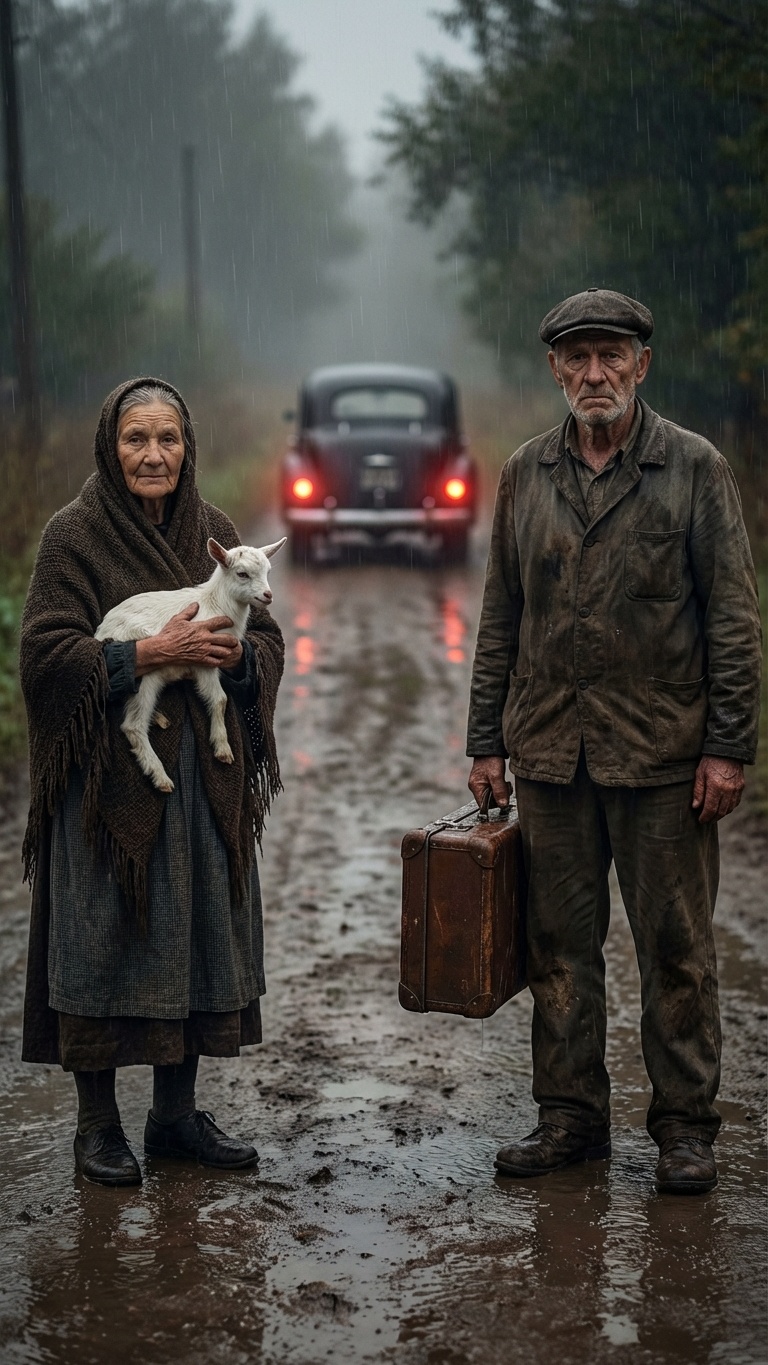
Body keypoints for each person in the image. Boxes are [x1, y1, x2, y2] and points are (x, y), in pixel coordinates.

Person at [466, 289, 762, 1194]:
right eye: (578, 358)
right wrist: (486, 739)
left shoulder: (694, 468)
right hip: (554, 752)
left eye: (612, 356)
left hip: (665, 756)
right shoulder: (524, 472)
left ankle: (684, 1128)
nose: (595, 373)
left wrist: (729, 746)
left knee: (676, 946)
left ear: (642, 365)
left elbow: (734, 621)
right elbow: (500, 615)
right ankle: (569, 1119)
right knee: (558, 945)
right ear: (555, 368)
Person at [20, 377, 284, 1187]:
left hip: (200, 784)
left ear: (187, 447)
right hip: (108, 786)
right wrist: (144, 655)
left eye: (168, 438)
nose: (153, 454)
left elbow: (264, 635)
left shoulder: (217, 531)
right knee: (100, 937)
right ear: (110, 445)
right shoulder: (74, 537)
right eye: (137, 438)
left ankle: (174, 1116)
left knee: (197, 934)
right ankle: (97, 1124)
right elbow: (41, 657)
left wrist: (242, 662)